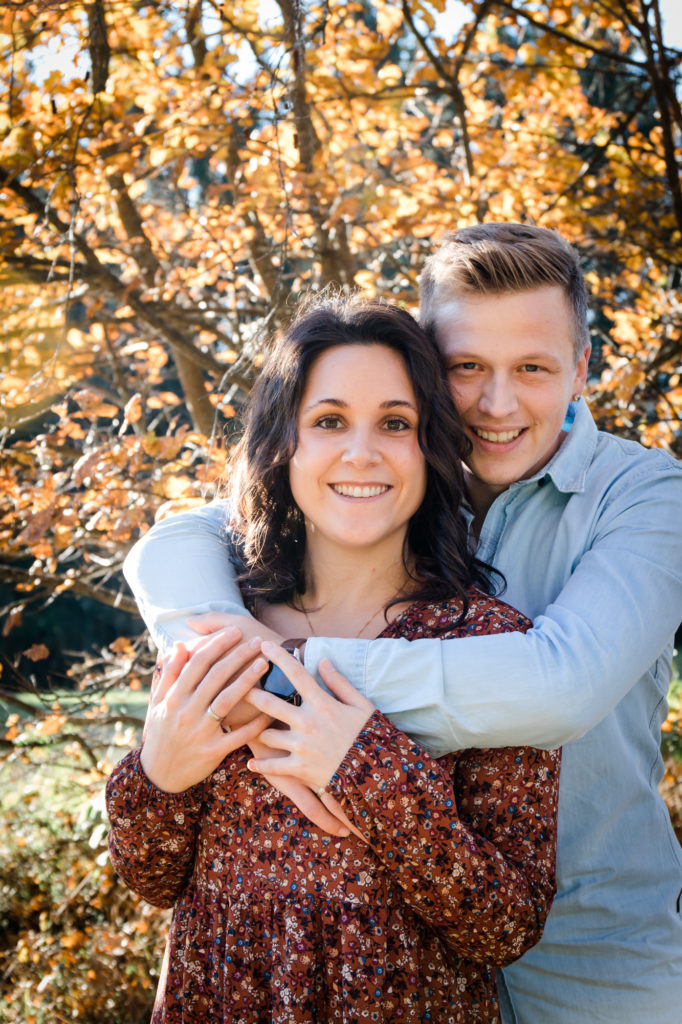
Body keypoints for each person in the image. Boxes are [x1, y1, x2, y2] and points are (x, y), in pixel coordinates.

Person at [123, 224, 682, 1024]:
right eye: (466, 369)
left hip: (598, 968)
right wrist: (214, 649)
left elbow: (563, 685)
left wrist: (275, 681)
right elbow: (181, 537)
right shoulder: (383, 481)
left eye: (531, 368)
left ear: (581, 369)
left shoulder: (648, 495)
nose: (496, 403)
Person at [107, 297, 560, 1023]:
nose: (361, 451)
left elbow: (508, 925)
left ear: (430, 447)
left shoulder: (487, 642)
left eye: (395, 423)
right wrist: (157, 774)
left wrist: (368, 770)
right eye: (328, 421)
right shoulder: (220, 621)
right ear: (284, 443)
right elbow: (150, 876)